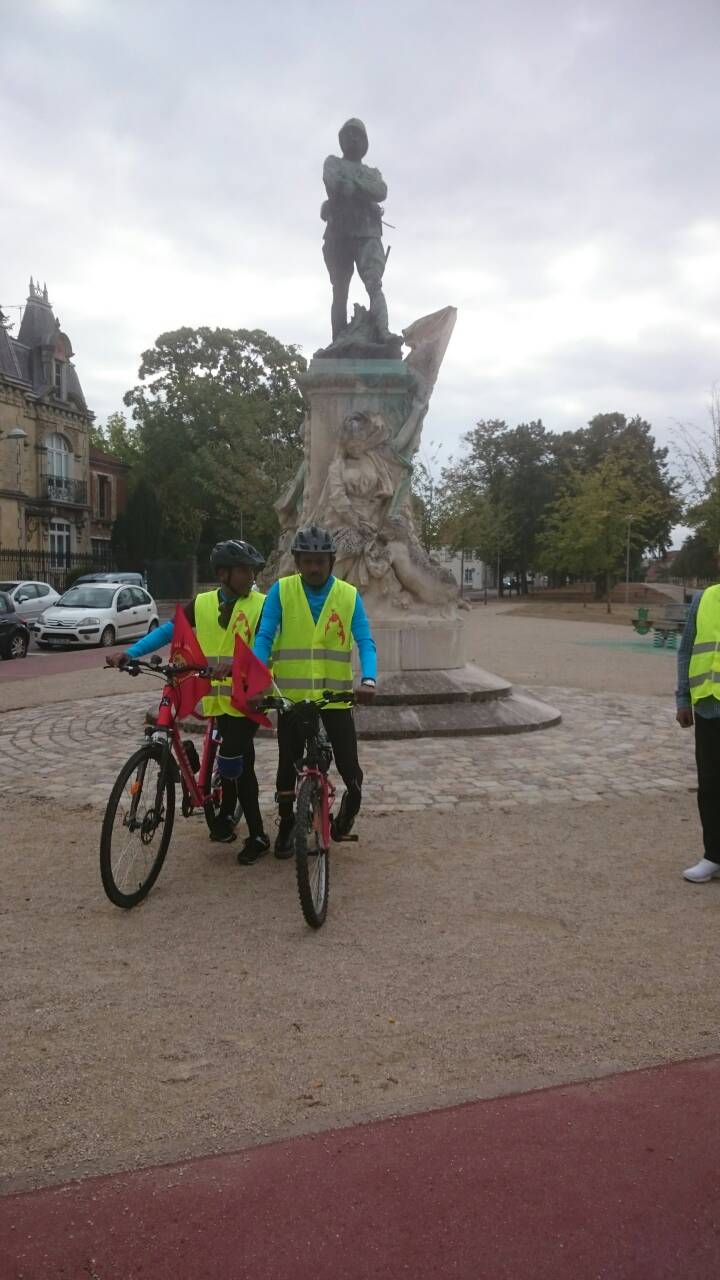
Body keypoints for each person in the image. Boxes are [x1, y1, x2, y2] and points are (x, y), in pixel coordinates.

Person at [107, 540, 271, 864]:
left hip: (247, 698)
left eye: (252, 570)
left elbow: (268, 644)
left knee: (234, 761)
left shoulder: (262, 605)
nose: (251, 576)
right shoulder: (203, 603)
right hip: (217, 700)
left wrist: (242, 668)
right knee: (236, 764)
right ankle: (225, 815)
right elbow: (169, 631)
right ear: (223, 574)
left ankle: (257, 835)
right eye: (243, 570)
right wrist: (130, 653)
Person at [253, 524, 377, 856]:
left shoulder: (348, 595)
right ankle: (287, 823)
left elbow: (365, 642)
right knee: (286, 766)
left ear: (331, 561)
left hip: (336, 699)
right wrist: (255, 681)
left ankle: (347, 814)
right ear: (297, 562)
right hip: (293, 699)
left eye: (320, 561)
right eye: (307, 561)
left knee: (350, 770)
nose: (314, 568)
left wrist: (368, 680)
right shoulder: (281, 591)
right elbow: (264, 637)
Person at [321, 118, 390, 342]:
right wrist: (363, 191)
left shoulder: (372, 172)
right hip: (338, 233)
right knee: (340, 291)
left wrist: (356, 186)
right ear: (341, 140)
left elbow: (380, 191)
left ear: (365, 142)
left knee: (374, 284)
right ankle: (337, 341)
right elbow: (333, 183)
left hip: (368, 233)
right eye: (348, 134)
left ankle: (384, 333)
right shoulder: (333, 162)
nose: (353, 138)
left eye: (358, 135)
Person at [676, 561, 720, 882]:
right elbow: (686, 651)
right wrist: (683, 699)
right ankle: (714, 856)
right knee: (710, 786)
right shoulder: (704, 599)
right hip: (707, 706)